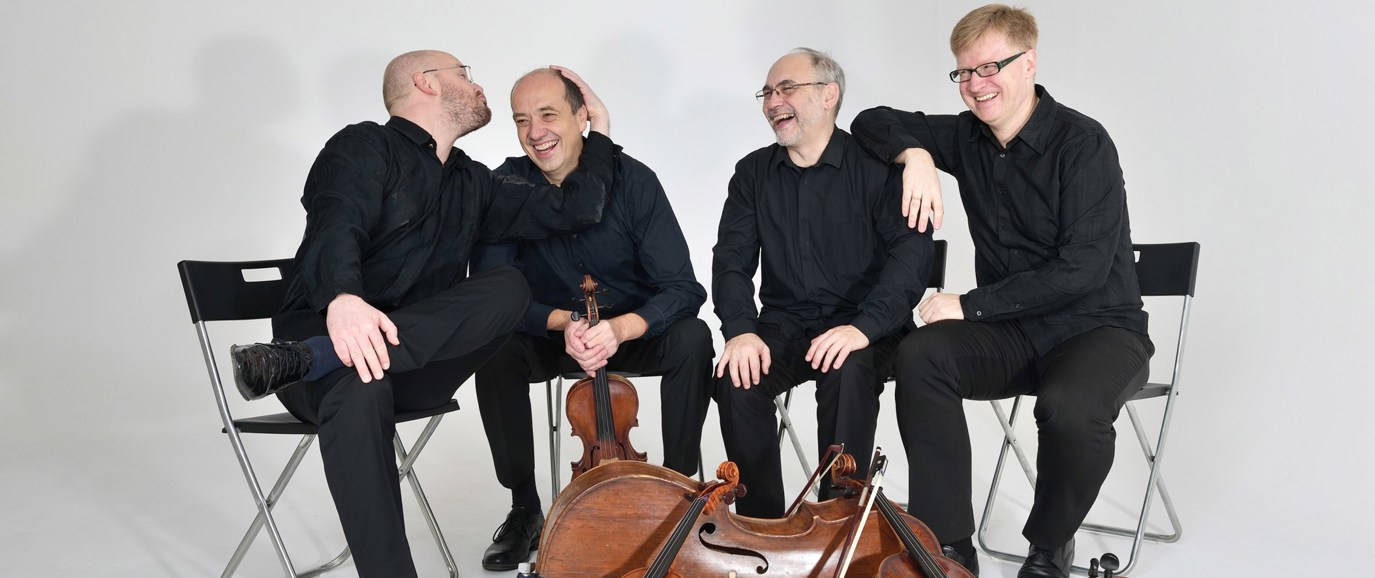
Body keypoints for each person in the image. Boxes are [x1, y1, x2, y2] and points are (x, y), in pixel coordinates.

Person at [228, 51, 617, 578]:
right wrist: (343, 299)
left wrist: (599, 126)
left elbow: (576, 207)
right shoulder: (363, 146)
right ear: (426, 83)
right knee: (360, 386)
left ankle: (314, 356)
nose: (478, 87)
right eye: (465, 74)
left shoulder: (473, 182)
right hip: (329, 372)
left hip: (383, 365)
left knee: (507, 286)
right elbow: (335, 222)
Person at [850, 5, 1154, 577]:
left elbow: (1082, 271)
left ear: (1029, 63)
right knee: (922, 354)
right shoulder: (967, 137)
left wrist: (969, 304)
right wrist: (916, 154)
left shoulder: (1084, 144)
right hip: (1014, 334)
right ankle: (947, 548)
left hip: (1099, 329)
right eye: (964, 72)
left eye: (990, 67)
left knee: (1070, 407)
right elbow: (870, 120)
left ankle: (1049, 546)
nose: (976, 84)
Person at [469, 68, 714, 571]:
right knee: (494, 348)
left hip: (628, 329)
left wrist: (622, 328)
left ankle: (679, 494)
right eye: (521, 120)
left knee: (693, 336)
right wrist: (560, 322)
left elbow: (683, 288)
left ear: (582, 117)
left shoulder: (634, 181)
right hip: (553, 334)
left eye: (548, 114)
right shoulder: (504, 186)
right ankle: (524, 508)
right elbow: (492, 294)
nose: (535, 132)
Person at [712, 48, 932, 520]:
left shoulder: (879, 169)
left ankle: (836, 522)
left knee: (846, 368)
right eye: (767, 93)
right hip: (786, 326)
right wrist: (740, 330)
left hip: (867, 327)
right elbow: (730, 261)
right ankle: (762, 526)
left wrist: (863, 328)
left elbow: (911, 259)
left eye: (787, 88)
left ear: (829, 95)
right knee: (736, 376)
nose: (773, 102)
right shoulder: (752, 174)